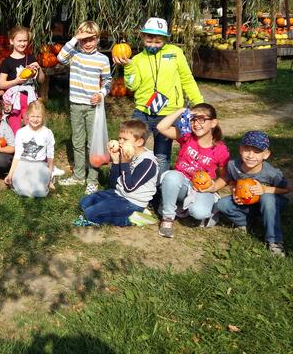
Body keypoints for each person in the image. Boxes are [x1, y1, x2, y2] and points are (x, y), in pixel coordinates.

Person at [113, 17, 203, 177]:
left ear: (165, 39)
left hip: (168, 114)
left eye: (158, 42)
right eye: (149, 41)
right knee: (130, 148)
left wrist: (200, 104)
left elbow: (187, 79)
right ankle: (128, 181)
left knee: (161, 155)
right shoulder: (137, 59)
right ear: (142, 37)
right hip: (142, 112)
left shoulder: (175, 53)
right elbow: (132, 86)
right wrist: (128, 67)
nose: (153, 45)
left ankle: (158, 191)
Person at [156, 103, 230, 238]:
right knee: (172, 177)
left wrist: (213, 188)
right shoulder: (187, 136)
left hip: (201, 188)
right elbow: (161, 127)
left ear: (213, 123)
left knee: (199, 213)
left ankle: (179, 203)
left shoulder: (220, 150)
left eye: (201, 119)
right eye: (193, 119)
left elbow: (225, 177)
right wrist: (181, 110)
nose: (196, 123)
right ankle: (168, 218)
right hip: (182, 183)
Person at [56, 21, 112, 193]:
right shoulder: (74, 55)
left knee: (92, 144)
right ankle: (79, 176)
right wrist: (74, 38)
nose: (87, 43)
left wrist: (101, 94)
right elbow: (60, 57)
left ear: (97, 39)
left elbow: (108, 81)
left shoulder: (102, 59)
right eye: (84, 39)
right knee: (78, 142)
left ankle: (92, 179)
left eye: (91, 39)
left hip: (92, 107)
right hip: (75, 105)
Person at [216, 131, 290, 257]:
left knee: (267, 199)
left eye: (257, 152)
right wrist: (235, 192)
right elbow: (232, 181)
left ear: (266, 155)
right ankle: (245, 222)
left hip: (271, 204)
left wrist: (266, 189)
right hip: (248, 203)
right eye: (247, 150)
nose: (250, 155)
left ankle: (274, 241)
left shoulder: (271, 173)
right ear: (240, 149)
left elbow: (287, 188)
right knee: (222, 204)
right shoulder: (233, 166)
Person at [76, 120, 158, 227]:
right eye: (120, 138)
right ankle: (116, 210)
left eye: (125, 139)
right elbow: (113, 183)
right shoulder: (127, 154)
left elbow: (129, 187)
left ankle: (133, 218)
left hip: (133, 202)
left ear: (139, 142)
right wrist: (115, 161)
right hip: (118, 193)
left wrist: (124, 162)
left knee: (91, 214)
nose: (120, 142)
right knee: (84, 203)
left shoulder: (148, 163)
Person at [5, 99, 55, 198]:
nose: (35, 119)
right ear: (27, 116)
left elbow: (50, 156)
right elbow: (17, 155)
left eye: (38, 117)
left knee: (38, 192)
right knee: (23, 191)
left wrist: (50, 175)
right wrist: (10, 174)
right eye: (32, 116)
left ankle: (49, 181)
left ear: (43, 117)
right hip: (23, 164)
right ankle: (20, 180)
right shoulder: (21, 132)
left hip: (40, 165)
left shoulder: (47, 133)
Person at [0, 26, 44, 133]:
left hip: (29, 98)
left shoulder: (31, 58)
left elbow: (41, 80)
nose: (22, 44)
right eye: (19, 41)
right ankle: (16, 148)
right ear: (11, 41)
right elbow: (1, 84)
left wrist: (39, 68)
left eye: (25, 41)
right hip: (14, 100)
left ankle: (32, 146)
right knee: (15, 128)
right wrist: (17, 81)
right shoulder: (7, 62)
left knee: (32, 125)